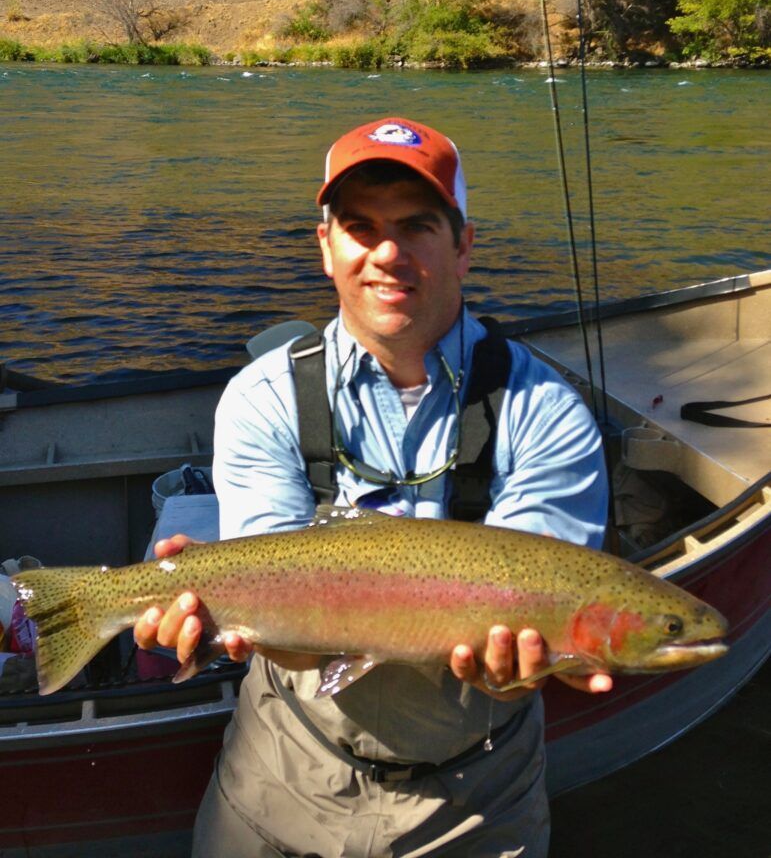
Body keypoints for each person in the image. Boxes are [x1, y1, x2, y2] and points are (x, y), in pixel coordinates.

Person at [134, 116, 611, 858]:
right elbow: (279, 613)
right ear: (326, 247)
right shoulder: (262, 398)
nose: (387, 254)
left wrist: (524, 671)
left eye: (417, 226)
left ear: (463, 244)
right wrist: (220, 618)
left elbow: (543, 609)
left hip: (478, 800)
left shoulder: (544, 410)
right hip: (282, 776)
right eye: (360, 227)